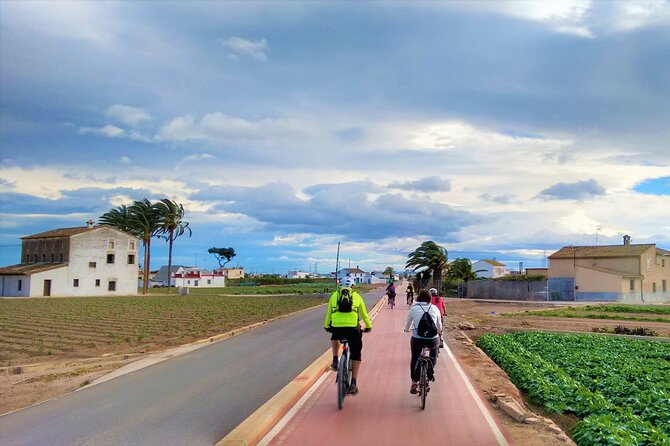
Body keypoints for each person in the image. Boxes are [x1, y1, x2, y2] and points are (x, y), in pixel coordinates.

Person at [324, 277, 372, 395]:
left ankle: (335, 360)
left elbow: (329, 313)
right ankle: (354, 383)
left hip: (337, 327)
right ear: (352, 287)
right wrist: (368, 326)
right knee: (356, 353)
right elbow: (364, 315)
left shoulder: (334, 295)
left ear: (340, 286)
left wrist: (326, 325)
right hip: (352, 328)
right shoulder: (357, 296)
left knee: (334, 335)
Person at [404, 289, 442, 394]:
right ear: (430, 298)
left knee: (415, 358)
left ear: (418, 298)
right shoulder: (434, 308)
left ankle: (414, 381)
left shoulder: (414, 308)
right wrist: (439, 332)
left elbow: (408, 322)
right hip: (432, 339)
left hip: (417, 338)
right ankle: (430, 374)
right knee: (433, 355)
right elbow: (439, 324)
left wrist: (407, 329)